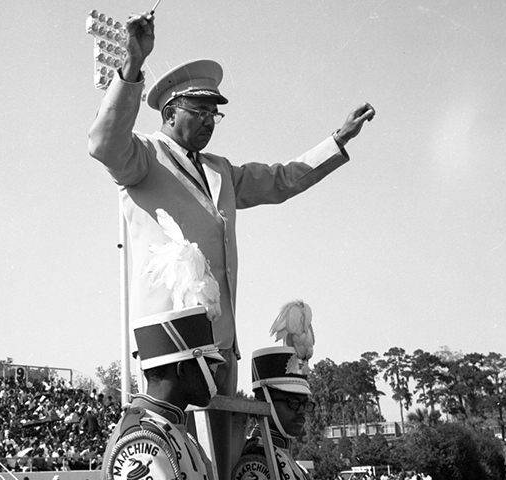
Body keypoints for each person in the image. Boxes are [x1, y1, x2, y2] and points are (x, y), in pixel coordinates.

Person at [88, 11, 377, 397]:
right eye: (199, 111)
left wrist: (338, 140)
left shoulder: (220, 169)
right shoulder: (143, 155)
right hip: (170, 344)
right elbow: (103, 144)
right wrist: (133, 65)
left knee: (218, 454)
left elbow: (281, 180)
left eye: (214, 113)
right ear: (170, 113)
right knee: (178, 450)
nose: (209, 121)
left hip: (222, 344)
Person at [100, 305, 224, 480]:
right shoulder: (144, 438)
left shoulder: (172, 430)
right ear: (183, 370)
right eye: (207, 365)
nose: (213, 375)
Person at [231, 344, 316, 480]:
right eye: (293, 403)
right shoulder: (257, 455)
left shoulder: (286, 458)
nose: (302, 411)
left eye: (305, 404)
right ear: (262, 401)